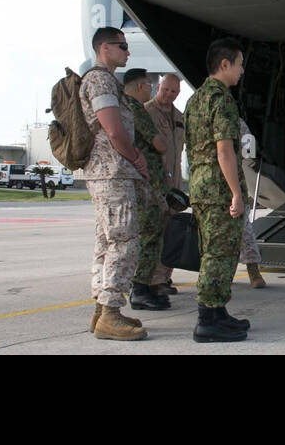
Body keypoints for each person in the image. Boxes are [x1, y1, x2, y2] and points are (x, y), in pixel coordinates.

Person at [80, 27, 150, 340]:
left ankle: (101, 311)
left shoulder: (104, 80)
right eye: (122, 46)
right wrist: (135, 157)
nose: (127, 52)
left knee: (106, 242)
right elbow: (112, 128)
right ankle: (110, 312)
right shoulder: (99, 79)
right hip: (112, 172)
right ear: (104, 48)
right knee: (124, 241)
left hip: (108, 172)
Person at [183, 38, 252, 342]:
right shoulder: (221, 99)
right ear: (224, 64)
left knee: (214, 250)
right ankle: (207, 320)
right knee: (219, 254)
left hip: (200, 186)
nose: (241, 71)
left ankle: (217, 311)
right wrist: (236, 192)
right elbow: (224, 149)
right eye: (239, 65)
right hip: (219, 189)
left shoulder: (195, 99)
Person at [122, 68, 171, 311]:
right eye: (150, 86)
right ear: (141, 86)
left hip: (135, 182)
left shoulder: (120, 107)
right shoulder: (136, 109)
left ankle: (143, 286)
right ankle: (141, 288)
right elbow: (158, 144)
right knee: (150, 235)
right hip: (147, 184)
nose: (151, 90)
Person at [145, 73, 185, 294]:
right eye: (166, 90)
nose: (169, 95)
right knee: (153, 230)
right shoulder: (146, 112)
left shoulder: (179, 116)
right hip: (154, 181)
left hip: (175, 182)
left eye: (174, 92)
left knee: (171, 230)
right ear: (158, 87)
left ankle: (163, 277)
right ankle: (150, 279)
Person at [237, 118, 268, 288]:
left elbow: (249, 148)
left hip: (231, 180)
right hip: (207, 184)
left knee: (244, 229)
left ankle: (253, 270)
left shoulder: (234, 120)